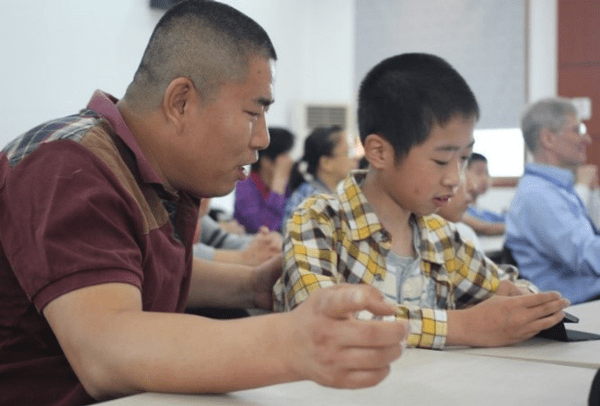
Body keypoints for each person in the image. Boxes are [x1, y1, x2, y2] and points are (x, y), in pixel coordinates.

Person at [0, 2, 409, 405]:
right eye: (253, 112)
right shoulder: (66, 165)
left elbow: (124, 277)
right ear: (181, 102)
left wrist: (254, 285)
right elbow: (107, 352)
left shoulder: (160, 175)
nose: (263, 139)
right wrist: (294, 342)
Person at [274, 53, 569, 350]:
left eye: (464, 159)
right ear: (379, 152)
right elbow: (322, 320)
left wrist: (522, 300)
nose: (456, 178)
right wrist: (462, 326)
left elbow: (507, 285)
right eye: (441, 160)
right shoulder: (320, 220)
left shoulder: (441, 237)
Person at [505, 97, 600, 304]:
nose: (586, 140)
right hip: (579, 305)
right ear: (548, 139)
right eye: (577, 131)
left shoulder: (554, 189)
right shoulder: (537, 194)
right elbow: (588, 256)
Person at [282, 125, 356, 229]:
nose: (353, 160)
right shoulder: (314, 201)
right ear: (326, 163)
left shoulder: (325, 194)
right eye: (347, 153)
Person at [233, 126, 295, 233]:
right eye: (285, 155)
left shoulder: (288, 185)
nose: (289, 160)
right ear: (266, 160)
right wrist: (279, 182)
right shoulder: (245, 186)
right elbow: (264, 228)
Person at [194, 198, 282, 267]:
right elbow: (186, 257)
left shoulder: (202, 219)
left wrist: (265, 243)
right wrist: (246, 257)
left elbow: (223, 239)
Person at [461, 153, 506, 236]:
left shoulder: (483, 211)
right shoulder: (460, 211)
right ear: (463, 174)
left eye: (487, 173)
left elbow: (505, 219)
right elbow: (486, 228)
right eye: (479, 172)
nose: (485, 178)